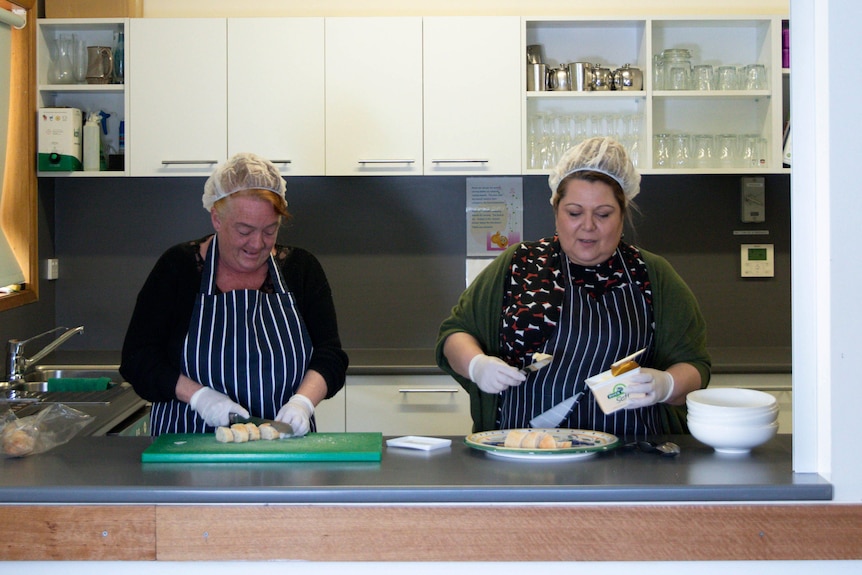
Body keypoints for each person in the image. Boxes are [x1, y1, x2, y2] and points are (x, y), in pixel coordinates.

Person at [436, 136, 710, 437]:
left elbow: (695, 365)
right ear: (556, 212)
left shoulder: (652, 274)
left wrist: (667, 385)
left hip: (629, 457)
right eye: (574, 212)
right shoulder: (519, 264)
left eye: (603, 214)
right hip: (521, 455)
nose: (588, 225)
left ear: (623, 215)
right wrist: (476, 365)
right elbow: (455, 334)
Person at [121, 153, 348, 436]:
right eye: (244, 230)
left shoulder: (300, 268)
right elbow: (138, 360)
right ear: (216, 218)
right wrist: (199, 397)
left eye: (270, 230)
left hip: (283, 446)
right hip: (186, 447)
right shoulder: (178, 267)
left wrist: (303, 403)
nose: (257, 243)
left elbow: (330, 356)